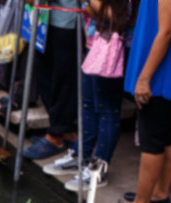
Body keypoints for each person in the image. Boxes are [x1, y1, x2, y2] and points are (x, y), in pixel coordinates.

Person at [123, 0, 171, 203]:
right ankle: (159, 193)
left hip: (160, 71)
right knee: (167, 132)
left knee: (151, 136)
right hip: (165, 69)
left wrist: (145, 78)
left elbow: (166, 32)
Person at [62, 0, 133, 191]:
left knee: (107, 109)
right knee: (88, 103)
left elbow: (118, 16)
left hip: (113, 46)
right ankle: (82, 156)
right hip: (95, 41)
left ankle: (98, 168)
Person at [20, 0, 83, 160]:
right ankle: (64, 129)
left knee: (63, 76)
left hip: (67, 16)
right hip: (45, 14)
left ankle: (57, 134)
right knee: (44, 72)